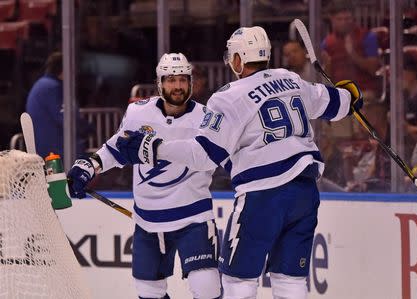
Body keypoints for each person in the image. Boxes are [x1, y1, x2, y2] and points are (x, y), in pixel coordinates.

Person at [115, 26, 362, 299]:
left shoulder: (228, 97)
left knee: (237, 281)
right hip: (305, 194)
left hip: (263, 196)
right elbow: (337, 103)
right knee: (289, 280)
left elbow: (203, 155)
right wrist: (350, 96)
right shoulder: (290, 79)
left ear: (238, 60)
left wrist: (155, 147)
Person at [67, 53, 221, 299]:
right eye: (171, 80)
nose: (177, 86)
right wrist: (89, 166)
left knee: (207, 286)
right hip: (148, 219)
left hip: (193, 217)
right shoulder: (138, 113)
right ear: (160, 83)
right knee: (149, 292)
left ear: (191, 82)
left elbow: (214, 157)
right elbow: (115, 149)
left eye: (183, 79)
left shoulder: (206, 118)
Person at [25, 52, 92, 159]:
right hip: (58, 150)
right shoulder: (53, 88)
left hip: (49, 147)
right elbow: (66, 119)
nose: (74, 73)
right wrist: (87, 128)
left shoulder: (43, 84)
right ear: (64, 70)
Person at [321, 0, 381, 101]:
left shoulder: (367, 36)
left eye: (347, 19)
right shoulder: (327, 43)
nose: (344, 22)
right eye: (339, 19)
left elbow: (373, 69)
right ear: (332, 19)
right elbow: (326, 80)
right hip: (339, 94)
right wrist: (327, 66)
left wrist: (353, 55)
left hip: (364, 92)